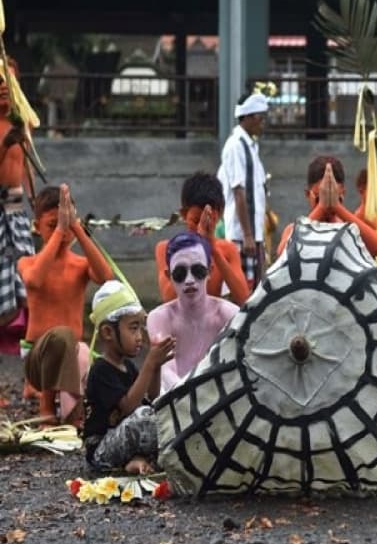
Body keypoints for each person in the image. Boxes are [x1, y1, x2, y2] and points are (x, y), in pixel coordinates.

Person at [20, 184, 113, 425]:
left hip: (72, 355)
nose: (60, 232)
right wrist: (61, 230)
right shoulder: (28, 262)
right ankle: (46, 406)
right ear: (37, 226)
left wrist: (77, 229)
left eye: (64, 225)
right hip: (38, 359)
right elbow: (35, 281)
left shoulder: (80, 264)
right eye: (51, 225)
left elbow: (107, 279)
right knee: (60, 336)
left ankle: (71, 412)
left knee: (82, 352)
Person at [83, 280, 176, 474]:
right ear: (108, 332)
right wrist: (149, 364)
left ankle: (137, 461)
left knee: (164, 412)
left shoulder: (129, 366)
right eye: (133, 328)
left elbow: (152, 397)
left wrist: (157, 366)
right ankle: (136, 459)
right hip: (101, 450)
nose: (140, 336)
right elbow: (127, 408)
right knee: (144, 419)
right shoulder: (101, 370)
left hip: (126, 439)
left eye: (141, 328)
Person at [148, 232, 239, 393]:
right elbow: (166, 370)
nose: (189, 280)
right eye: (180, 274)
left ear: (210, 271)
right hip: (175, 398)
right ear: (169, 276)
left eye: (197, 271)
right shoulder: (159, 318)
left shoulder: (229, 314)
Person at [154, 172, 249, 305]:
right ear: (184, 214)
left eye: (209, 220)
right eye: (196, 220)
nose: (201, 228)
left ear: (220, 214)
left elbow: (243, 298)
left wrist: (213, 249)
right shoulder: (165, 249)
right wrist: (188, 253)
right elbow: (168, 298)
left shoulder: (227, 250)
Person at [275, 156, 377, 258]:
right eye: (319, 198)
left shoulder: (350, 230)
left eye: (333, 196)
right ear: (308, 194)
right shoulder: (294, 230)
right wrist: (321, 208)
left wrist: (336, 206)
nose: (327, 204)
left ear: (343, 193)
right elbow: (282, 255)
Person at [0, 57, 36, 366]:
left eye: (8, 81)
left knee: (28, 298)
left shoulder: (20, 120)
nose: (3, 86)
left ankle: (33, 385)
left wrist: (36, 206)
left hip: (18, 215)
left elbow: (27, 170)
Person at [217, 91, 269, 291]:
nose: (263, 122)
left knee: (256, 290)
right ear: (247, 117)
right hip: (241, 237)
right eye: (260, 117)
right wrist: (247, 235)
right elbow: (239, 192)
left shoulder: (251, 146)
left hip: (253, 236)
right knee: (241, 292)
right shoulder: (236, 146)